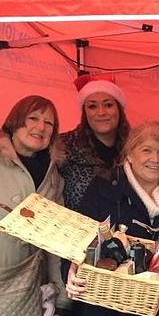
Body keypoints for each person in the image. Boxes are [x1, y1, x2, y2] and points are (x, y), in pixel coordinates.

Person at [65, 122, 159, 316]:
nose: (155, 159)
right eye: (146, 150)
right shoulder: (103, 188)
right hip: (111, 312)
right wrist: (70, 272)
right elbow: (76, 241)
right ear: (130, 155)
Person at [0, 95, 68, 316]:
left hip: (29, 291)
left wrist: (62, 296)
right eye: (33, 118)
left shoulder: (53, 177)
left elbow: (55, 240)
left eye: (49, 123)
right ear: (15, 122)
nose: (41, 126)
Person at [60, 73, 130, 212]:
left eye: (108, 105)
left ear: (119, 109)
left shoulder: (137, 147)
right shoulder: (62, 146)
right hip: (78, 230)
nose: (101, 112)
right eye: (92, 106)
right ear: (84, 112)